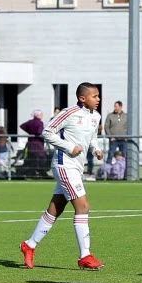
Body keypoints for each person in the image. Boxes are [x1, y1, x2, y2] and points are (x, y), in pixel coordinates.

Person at [19, 83, 106, 270]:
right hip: (64, 165)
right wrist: (68, 147)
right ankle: (85, 256)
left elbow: (92, 138)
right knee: (83, 206)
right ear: (82, 98)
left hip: (76, 167)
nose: (98, 99)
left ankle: (29, 245)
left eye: (98, 96)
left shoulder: (96, 116)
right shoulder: (70, 112)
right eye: (94, 96)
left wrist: (96, 149)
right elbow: (47, 132)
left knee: (55, 209)